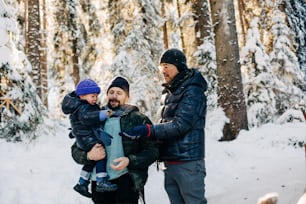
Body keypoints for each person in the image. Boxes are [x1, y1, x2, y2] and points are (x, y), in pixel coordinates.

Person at [120, 48, 208, 204]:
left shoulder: (193, 90)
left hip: (188, 162)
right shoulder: (168, 92)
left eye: (167, 65)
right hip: (170, 162)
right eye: (161, 67)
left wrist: (149, 130)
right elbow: (164, 124)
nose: (163, 70)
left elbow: (181, 125)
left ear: (179, 66)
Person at [71, 76, 159, 204]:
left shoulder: (138, 119)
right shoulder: (95, 116)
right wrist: (88, 156)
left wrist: (130, 160)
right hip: (99, 183)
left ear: (127, 96)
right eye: (111, 92)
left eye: (119, 93)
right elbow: (75, 150)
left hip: (127, 180)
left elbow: (153, 151)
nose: (114, 96)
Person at [62, 79, 118, 198]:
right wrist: (102, 114)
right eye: (92, 96)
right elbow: (87, 117)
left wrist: (75, 132)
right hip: (87, 138)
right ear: (82, 95)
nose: (95, 99)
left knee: (92, 160)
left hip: (83, 137)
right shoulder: (83, 107)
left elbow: (80, 122)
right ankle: (101, 180)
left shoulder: (79, 105)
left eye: (96, 96)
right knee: (101, 154)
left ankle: (82, 182)